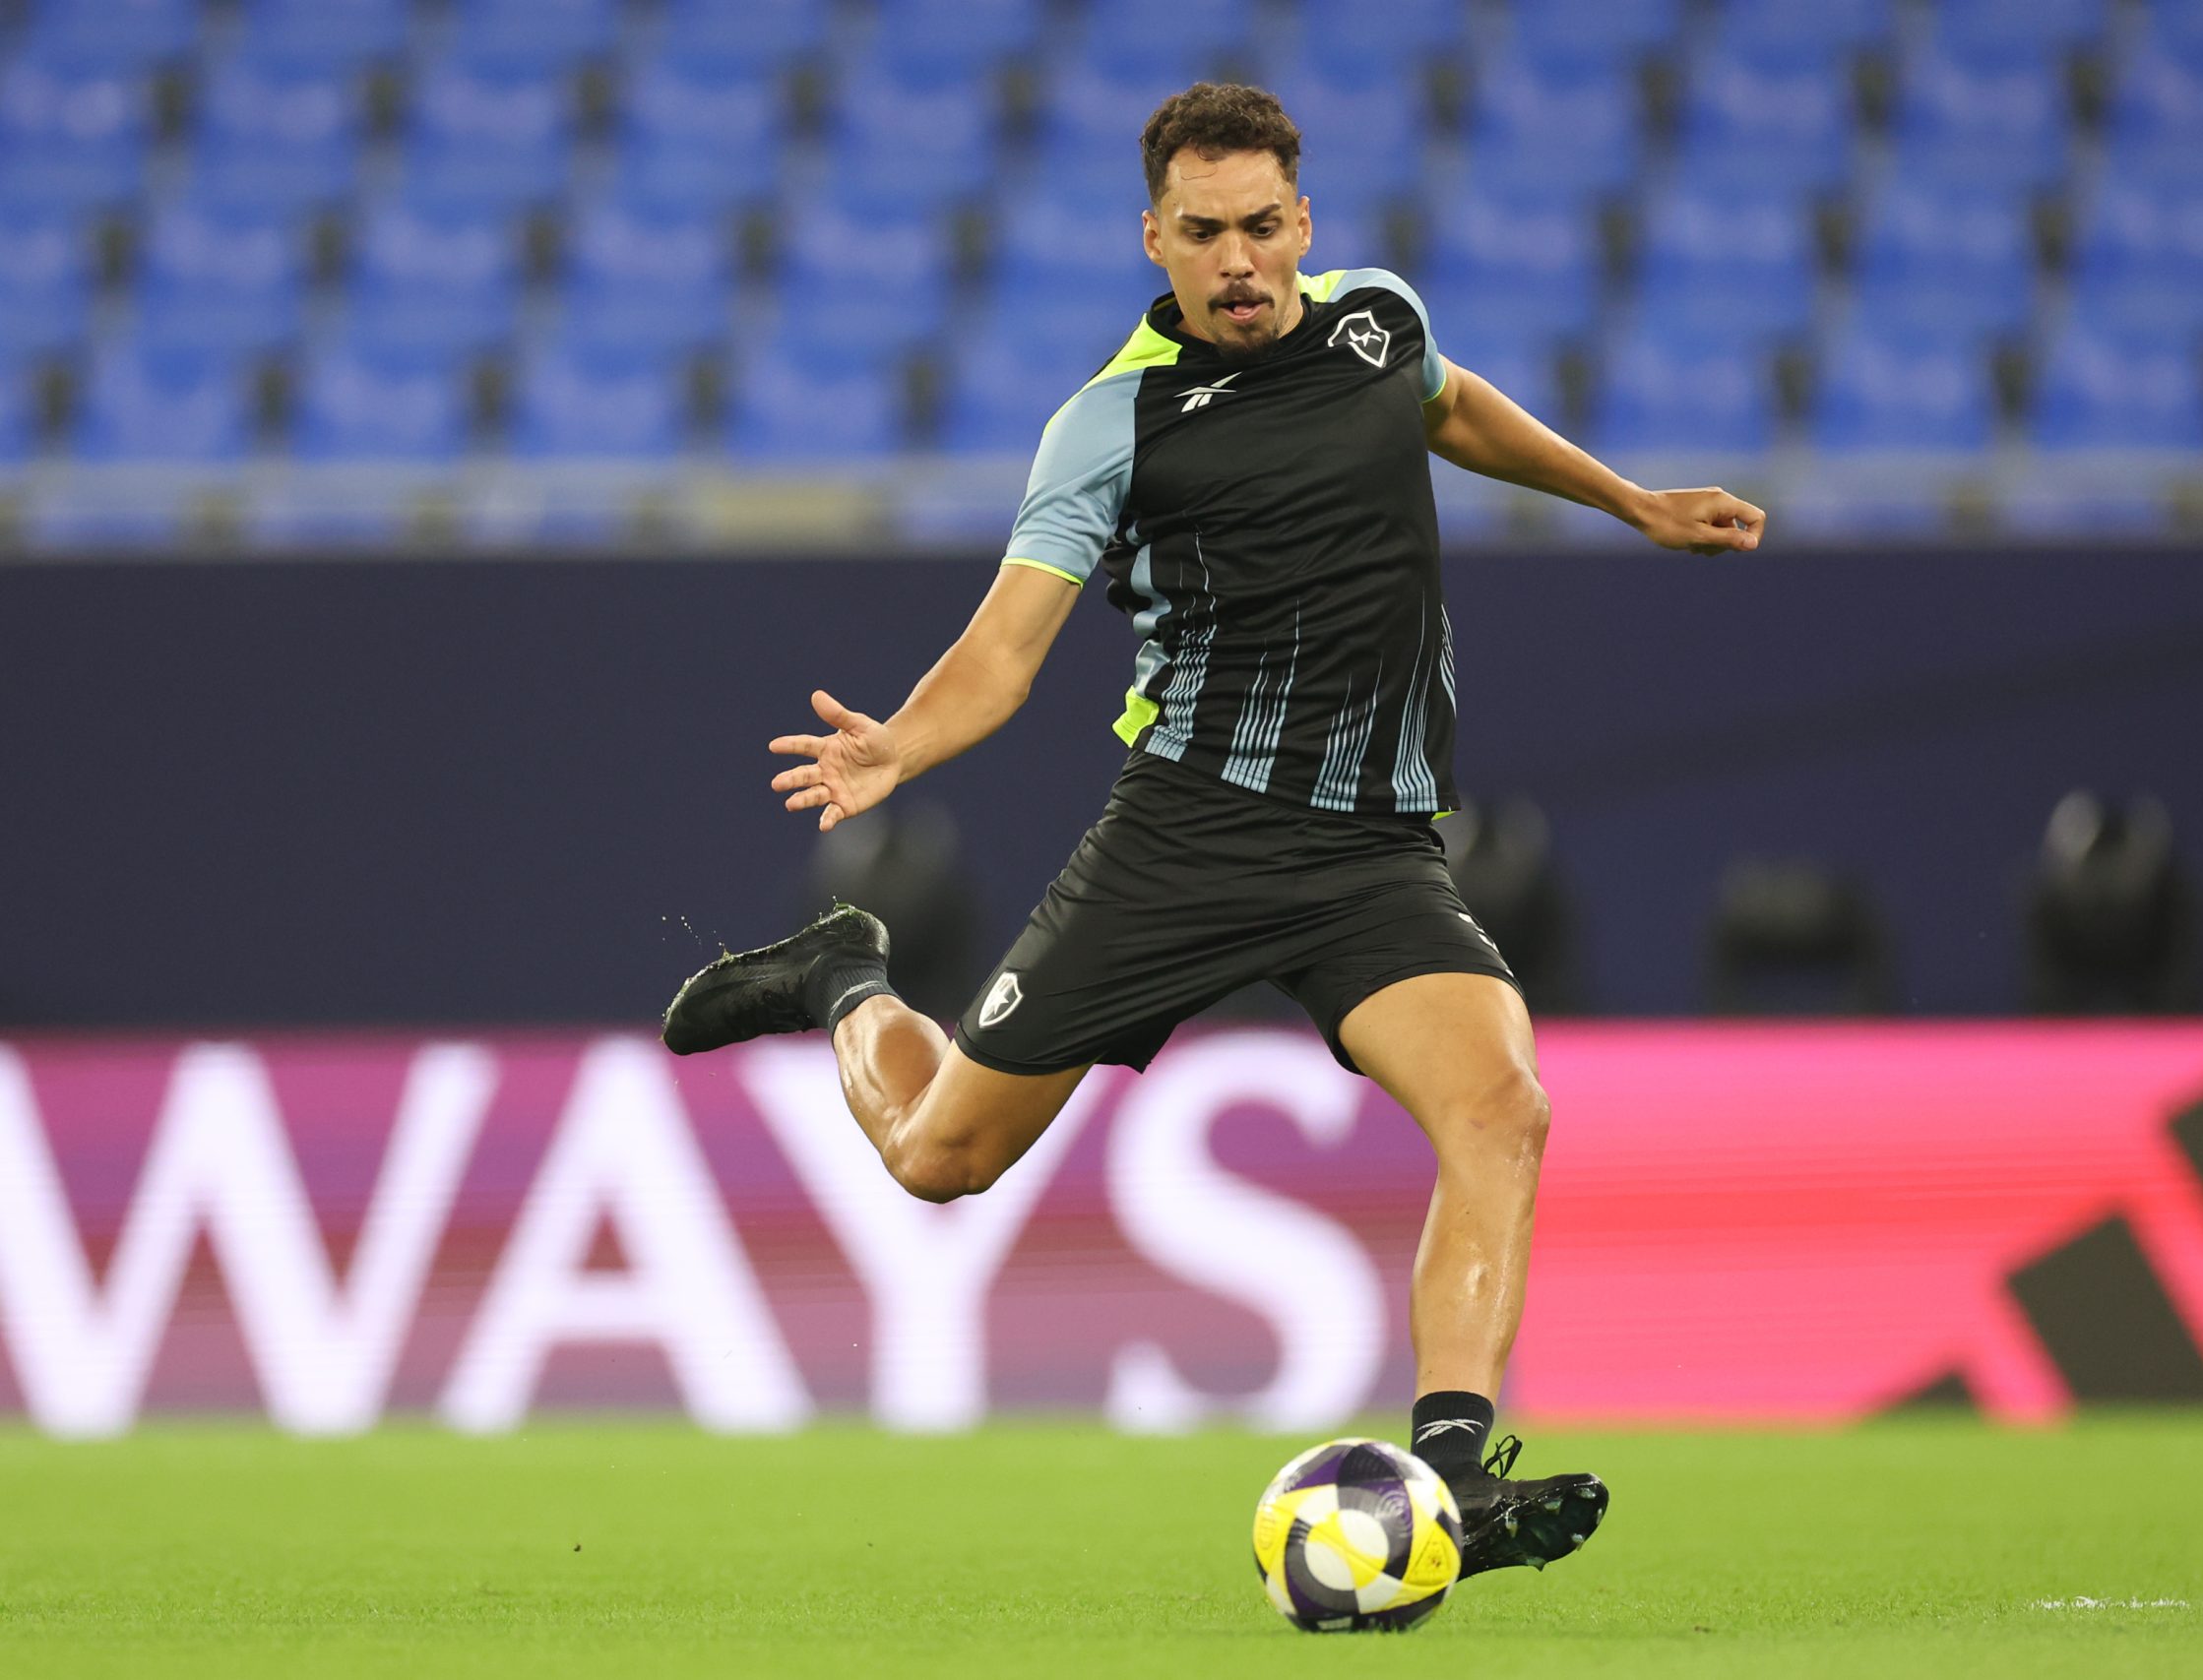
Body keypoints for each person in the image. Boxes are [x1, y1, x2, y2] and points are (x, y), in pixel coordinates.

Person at [663, 83, 1764, 1577]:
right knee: (937, 1161)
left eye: (1261, 228)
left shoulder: (1375, 319)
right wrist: (898, 745)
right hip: (1185, 838)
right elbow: (1005, 651)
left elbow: (1448, 405)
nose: (1237, 261)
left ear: (1303, 225)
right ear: (1155, 240)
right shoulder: (1113, 424)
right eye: (1203, 235)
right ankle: (840, 978)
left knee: (1501, 1106)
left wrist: (1625, 499)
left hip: (1371, 854)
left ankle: (1450, 1478)